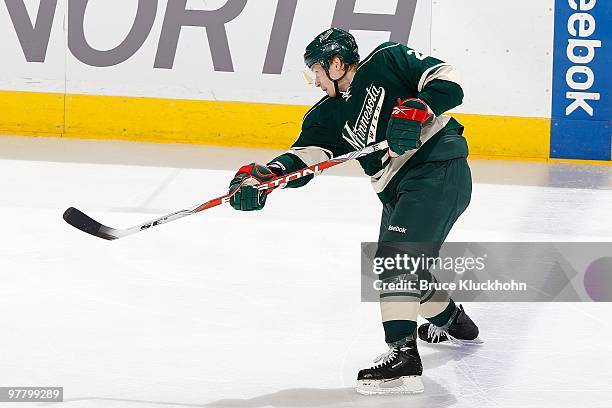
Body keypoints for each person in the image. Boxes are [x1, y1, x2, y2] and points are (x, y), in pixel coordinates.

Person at [227, 28, 481, 395]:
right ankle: (455, 322)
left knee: (395, 263)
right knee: (405, 271)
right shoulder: (327, 115)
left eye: (315, 70)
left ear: (335, 62)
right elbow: (306, 157)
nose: (314, 80)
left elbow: (449, 83)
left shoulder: (386, 60)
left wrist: (417, 108)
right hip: (397, 189)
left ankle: (403, 358)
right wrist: (268, 176)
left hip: (436, 169)